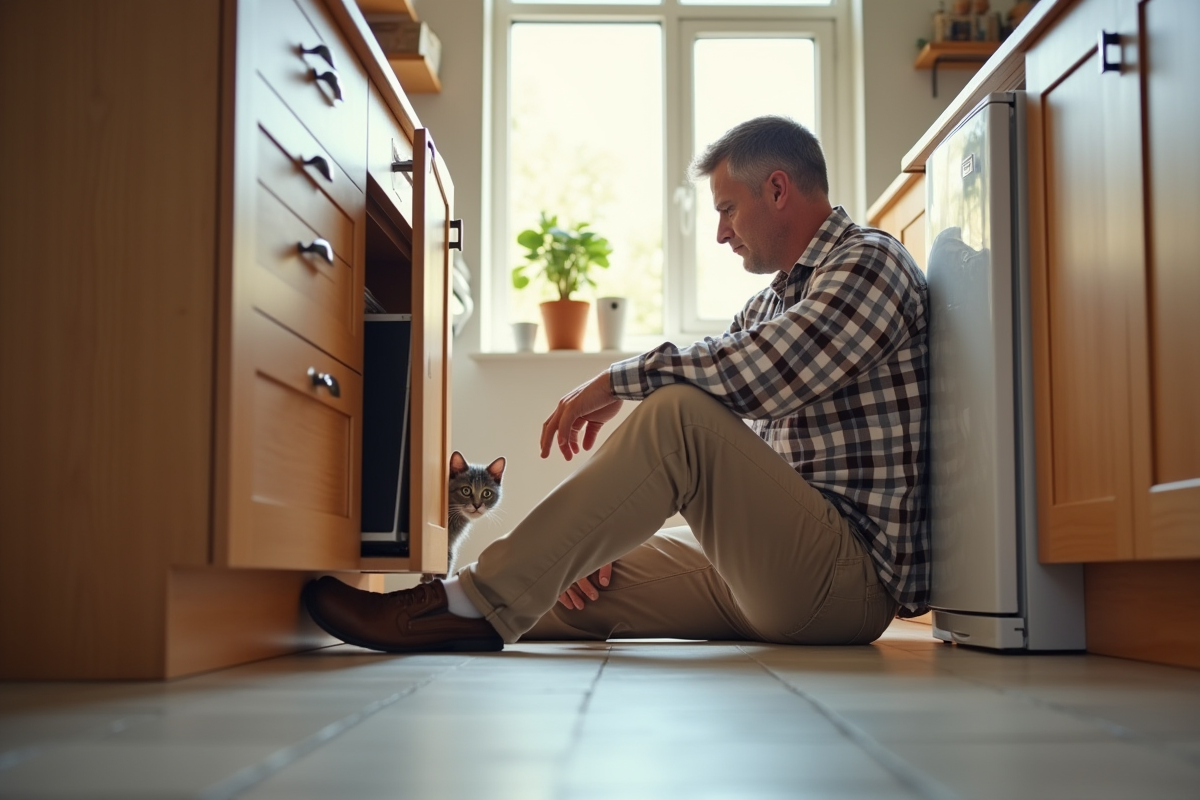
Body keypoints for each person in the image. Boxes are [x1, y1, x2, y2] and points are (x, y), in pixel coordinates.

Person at [302, 115, 930, 653]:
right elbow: (738, 455)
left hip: (844, 582)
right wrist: (595, 538)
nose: (719, 232)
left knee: (675, 412)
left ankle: (465, 602)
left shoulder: (869, 261)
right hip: (771, 574)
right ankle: (457, 608)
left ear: (777, 189)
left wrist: (616, 381)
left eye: (727, 209)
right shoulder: (765, 305)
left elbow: (767, 372)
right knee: (575, 571)